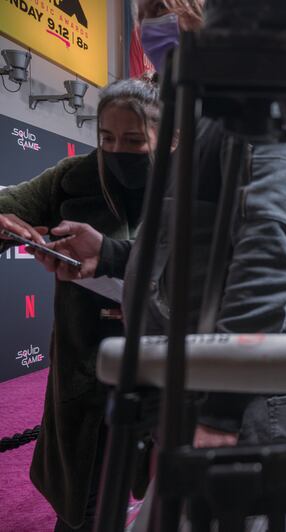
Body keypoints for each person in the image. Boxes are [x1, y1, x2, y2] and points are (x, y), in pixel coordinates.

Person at [46, 0, 286, 451]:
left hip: (230, 401)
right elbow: (192, 250)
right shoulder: (198, 125)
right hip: (192, 382)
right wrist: (110, 256)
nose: (152, 32)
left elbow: (268, 263)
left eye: (165, 11)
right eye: (146, 16)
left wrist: (220, 414)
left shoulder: (251, 116)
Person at [0, 79, 160, 531]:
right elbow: (9, 205)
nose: (116, 150)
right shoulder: (72, 177)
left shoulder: (187, 187)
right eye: (106, 138)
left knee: (158, 503)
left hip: (160, 375)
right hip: (84, 375)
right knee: (82, 511)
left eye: (132, 140)